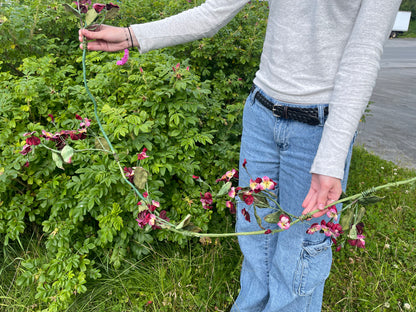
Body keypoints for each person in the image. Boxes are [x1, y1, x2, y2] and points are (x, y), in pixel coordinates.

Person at [79, 1, 402, 311]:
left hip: (318, 128)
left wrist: (331, 156)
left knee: (301, 247)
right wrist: (131, 35)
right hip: (261, 113)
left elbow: (362, 55)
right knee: (255, 234)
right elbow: (212, 12)